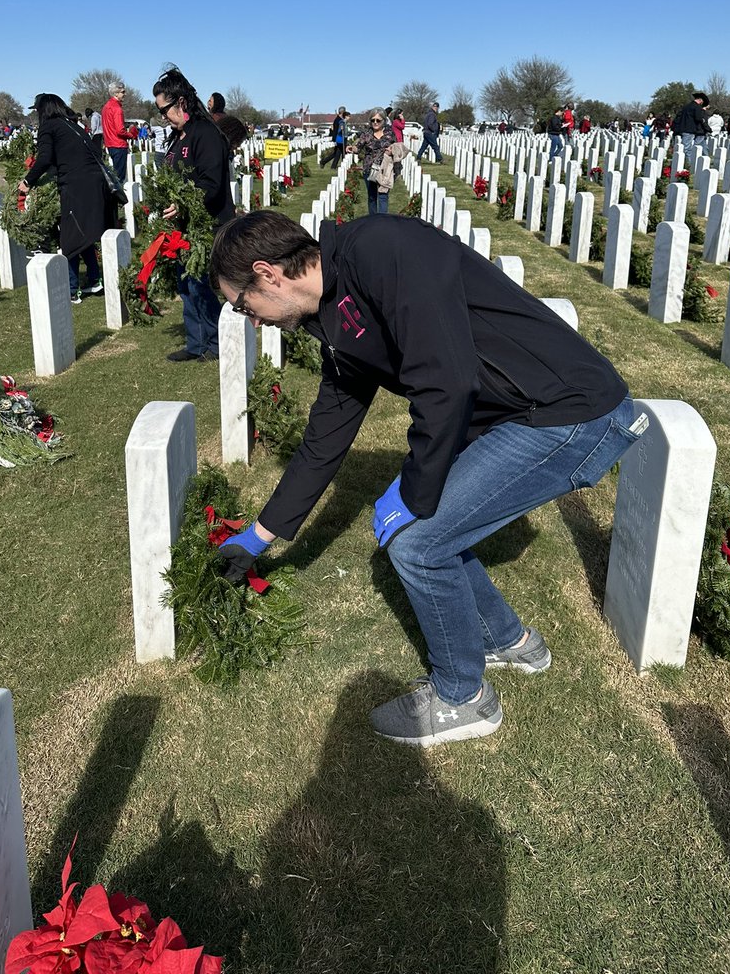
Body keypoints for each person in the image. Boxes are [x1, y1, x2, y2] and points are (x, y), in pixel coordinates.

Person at [209, 211, 637, 746]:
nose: (251, 320)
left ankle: (463, 698)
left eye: (242, 305)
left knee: (417, 543)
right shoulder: (332, 318)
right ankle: (508, 641)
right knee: (431, 529)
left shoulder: (382, 248)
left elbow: (446, 383)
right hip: (518, 415)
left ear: (267, 273)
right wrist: (258, 536)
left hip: (571, 413)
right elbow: (325, 438)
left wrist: (414, 494)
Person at [153, 66, 235, 362]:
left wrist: (184, 203)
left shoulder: (206, 134)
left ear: (181, 102)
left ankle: (216, 343)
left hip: (207, 222)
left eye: (165, 109)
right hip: (183, 224)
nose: (163, 116)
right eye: (160, 111)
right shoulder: (178, 137)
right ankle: (196, 343)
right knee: (186, 284)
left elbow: (211, 183)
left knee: (201, 285)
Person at [19, 93, 115, 303]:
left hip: (77, 184)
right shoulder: (72, 125)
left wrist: (28, 181)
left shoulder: (49, 126)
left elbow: (45, 157)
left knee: (69, 237)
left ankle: (72, 289)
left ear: (43, 109)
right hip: (94, 182)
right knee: (82, 232)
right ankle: (94, 279)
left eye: (37, 110)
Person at [354, 109, 397, 215]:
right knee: (372, 196)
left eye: (378, 120)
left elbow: (396, 147)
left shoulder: (390, 133)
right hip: (369, 169)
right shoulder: (366, 133)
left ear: (384, 120)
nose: (375, 122)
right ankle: (373, 220)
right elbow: (358, 147)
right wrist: (352, 148)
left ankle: (382, 221)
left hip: (385, 169)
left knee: (383, 196)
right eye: (373, 120)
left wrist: (392, 151)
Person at [101, 81, 136, 184]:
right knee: (119, 178)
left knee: (115, 175)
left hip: (110, 144)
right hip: (119, 144)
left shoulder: (106, 107)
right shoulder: (117, 109)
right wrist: (131, 135)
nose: (125, 94)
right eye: (123, 92)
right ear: (116, 93)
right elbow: (120, 130)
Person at [672, 92, 710, 168]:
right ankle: (689, 165)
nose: (702, 103)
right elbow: (698, 118)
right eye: (702, 102)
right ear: (700, 100)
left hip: (683, 128)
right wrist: (702, 120)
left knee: (686, 147)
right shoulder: (697, 107)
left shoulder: (687, 106)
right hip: (690, 129)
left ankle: (685, 163)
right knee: (687, 149)